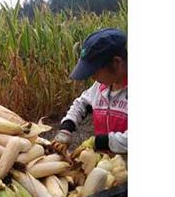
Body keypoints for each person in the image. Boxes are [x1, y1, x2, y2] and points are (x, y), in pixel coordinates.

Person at [53, 28, 127, 156]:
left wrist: (97, 142)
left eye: (95, 71)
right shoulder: (99, 86)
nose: (92, 77)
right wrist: (66, 128)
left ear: (116, 63)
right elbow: (81, 104)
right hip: (105, 167)